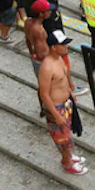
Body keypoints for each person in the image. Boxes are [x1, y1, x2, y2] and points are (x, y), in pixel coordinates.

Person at [38, 29, 87, 174]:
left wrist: (71, 92)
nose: (66, 47)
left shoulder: (59, 58)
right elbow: (44, 94)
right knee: (62, 140)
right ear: (54, 47)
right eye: (63, 44)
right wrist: (56, 114)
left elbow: (64, 79)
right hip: (57, 108)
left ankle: (69, 157)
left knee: (67, 136)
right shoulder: (47, 67)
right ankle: (67, 163)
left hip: (66, 104)